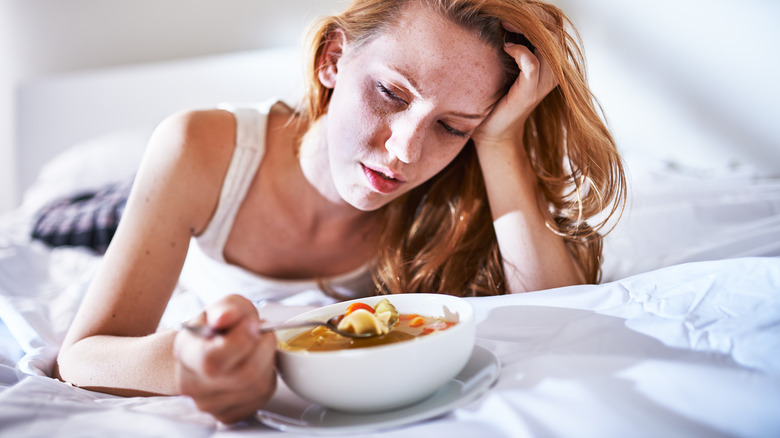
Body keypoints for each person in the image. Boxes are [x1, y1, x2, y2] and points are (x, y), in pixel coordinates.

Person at [55, 0, 626, 424]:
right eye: (392, 94)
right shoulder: (198, 149)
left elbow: (559, 316)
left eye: (452, 126)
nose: (405, 151)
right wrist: (184, 360)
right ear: (333, 58)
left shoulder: (455, 189)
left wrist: (499, 142)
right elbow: (82, 356)